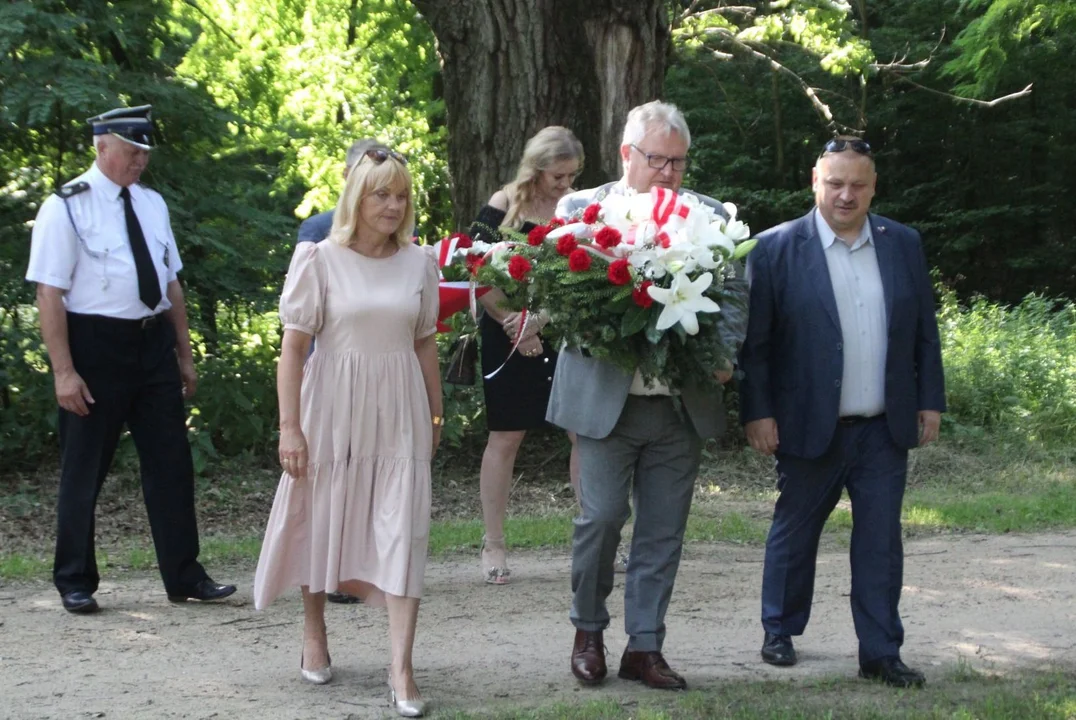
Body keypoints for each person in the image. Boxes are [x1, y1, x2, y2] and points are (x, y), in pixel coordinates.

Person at [547, 101, 747, 690]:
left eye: (678, 162)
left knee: (663, 530)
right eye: (657, 160)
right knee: (602, 518)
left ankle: (645, 646)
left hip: (680, 404)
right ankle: (588, 632)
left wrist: (723, 354)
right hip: (606, 403)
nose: (668, 173)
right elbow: (561, 296)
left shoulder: (710, 216)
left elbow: (735, 295)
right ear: (626, 154)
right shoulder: (582, 211)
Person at [738, 136, 946, 688]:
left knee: (880, 542)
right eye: (835, 183)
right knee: (795, 532)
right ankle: (780, 629)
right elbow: (756, 346)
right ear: (815, 182)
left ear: (874, 187)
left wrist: (930, 400)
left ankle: (880, 652)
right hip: (807, 421)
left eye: (857, 185)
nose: (846, 195)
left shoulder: (902, 243)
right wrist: (757, 412)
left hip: (884, 426)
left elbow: (924, 332)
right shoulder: (774, 248)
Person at [25, 105, 236, 614]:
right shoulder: (66, 206)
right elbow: (49, 293)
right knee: (85, 467)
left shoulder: (152, 203)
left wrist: (184, 354)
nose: (140, 161)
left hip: (152, 342)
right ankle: (74, 579)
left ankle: (184, 575)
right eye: (131, 152)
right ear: (101, 147)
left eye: (145, 153)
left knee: (171, 462)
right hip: (94, 346)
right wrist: (64, 372)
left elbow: (171, 283)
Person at [253, 146, 440, 718]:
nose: (393, 205)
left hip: (400, 409)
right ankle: (314, 631)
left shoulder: (420, 262)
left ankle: (401, 667)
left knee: (403, 528)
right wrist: (290, 427)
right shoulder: (319, 258)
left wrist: (435, 416)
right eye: (381, 193)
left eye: (401, 195)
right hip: (331, 406)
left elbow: (425, 343)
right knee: (321, 515)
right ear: (356, 197)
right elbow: (293, 349)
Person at [468, 126, 584, 585]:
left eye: (572, 175)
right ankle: (493, 543)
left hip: (561, 332)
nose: (565, 184)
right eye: (558, 176)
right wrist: (513, 323)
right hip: (506, 333)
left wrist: (541, 320)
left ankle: (594, 538)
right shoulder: (502, 204)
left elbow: (586, 273)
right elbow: (475, 268)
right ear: (536, 169)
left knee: (582, 433)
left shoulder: (575, 209)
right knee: (506, 436)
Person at [296, 137, 381, 605]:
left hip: (382, 372)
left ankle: (361, 566)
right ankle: (329, 572)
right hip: (332, 371)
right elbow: (304, 315)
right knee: (334, 475)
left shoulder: (398, 234)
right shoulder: (317, 231)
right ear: (348, 178)